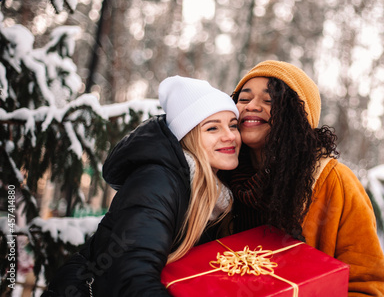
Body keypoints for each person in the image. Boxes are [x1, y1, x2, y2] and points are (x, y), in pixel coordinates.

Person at [42, 75, 241, 297]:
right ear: (188, 137)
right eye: (213, 128)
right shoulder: (157, 183)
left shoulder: (213, 195)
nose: (230, 136)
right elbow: (133, 279)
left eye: (233, 125)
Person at [219, 60, 384, 296]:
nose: (252, 106)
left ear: (297, 116)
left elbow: (370, 286)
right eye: (244, 98)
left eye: (269, 100)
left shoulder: (333, 181)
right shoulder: (218, 175)